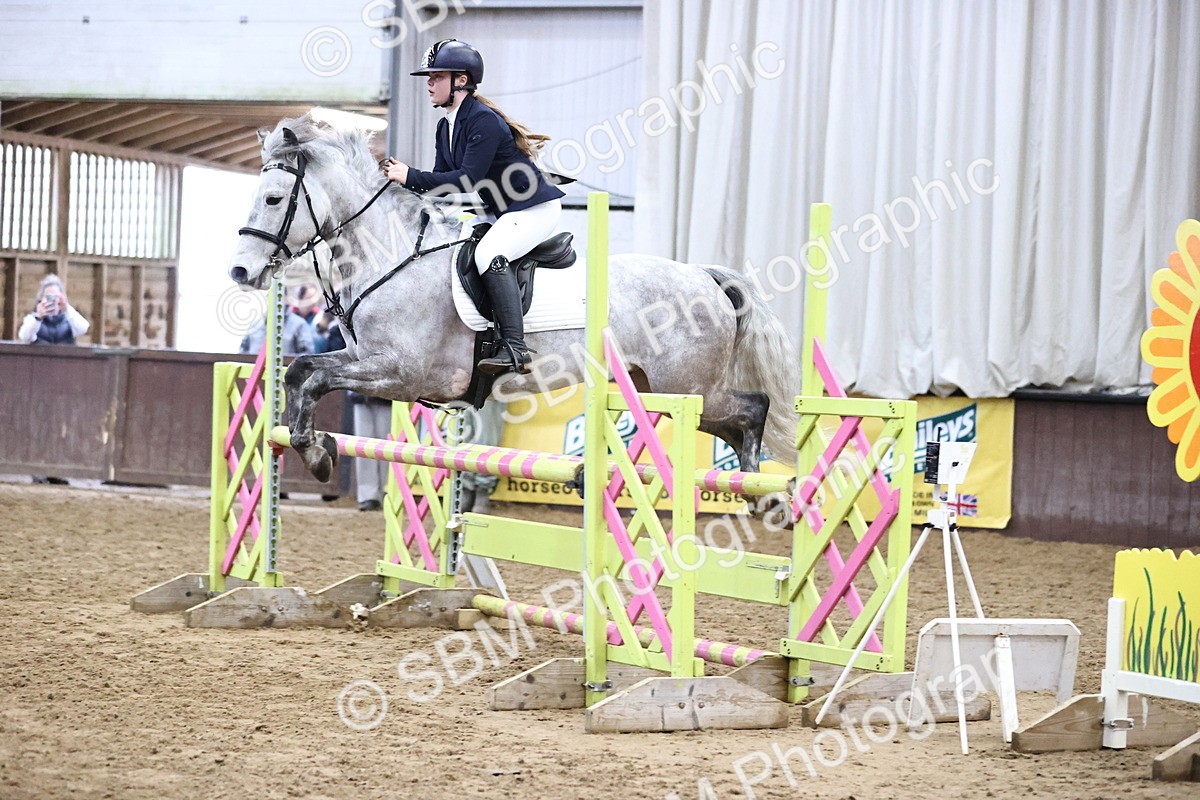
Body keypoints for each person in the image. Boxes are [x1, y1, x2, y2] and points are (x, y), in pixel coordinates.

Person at [384, 38, 565, 376]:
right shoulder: (445, 125)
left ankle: (515, 347)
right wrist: (402, 189)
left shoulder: (482, 121)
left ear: (461, 81)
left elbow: (465, 180)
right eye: (429, 77)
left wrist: (409, 174)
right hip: (500, 210)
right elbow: (440, 182)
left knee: (488, 255)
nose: (429, 84)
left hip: (532, 210)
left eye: (436, 77)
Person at [17, 274, 90, 345]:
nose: (52, 300)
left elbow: (83, 328)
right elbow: (25, 337)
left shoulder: (70, 320)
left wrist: (66, 307)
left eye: (55, 296)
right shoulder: (32, 320)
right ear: (41, 298)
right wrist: (38, 317)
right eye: (48, 297)